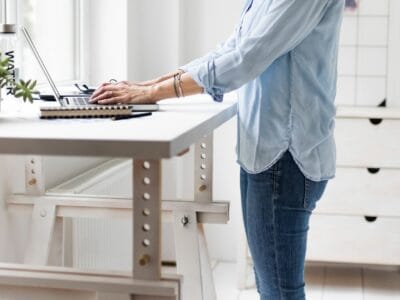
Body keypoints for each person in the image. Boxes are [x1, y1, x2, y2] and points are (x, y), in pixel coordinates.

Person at [90, 0, 345, 299]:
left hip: (286, 155)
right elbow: (231, 48)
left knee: (279, 292)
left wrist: (151, 92)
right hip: (264, 152)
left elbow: (247, 59)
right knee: (270, 286)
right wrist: (148, 86)